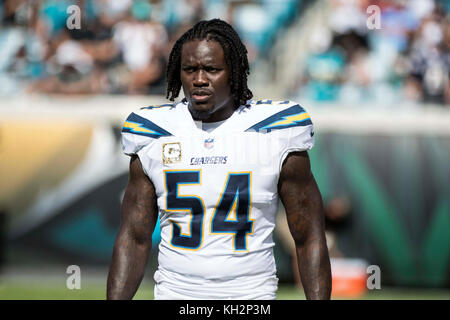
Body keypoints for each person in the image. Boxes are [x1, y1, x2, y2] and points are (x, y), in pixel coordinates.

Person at [107, 18, 331, 300]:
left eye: (211, 69)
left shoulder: (276, 130)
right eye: (190, 69)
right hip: (176, 294)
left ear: (234, 72)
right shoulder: (154, 131)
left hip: (250, 298)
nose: (199, 79)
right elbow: (134, 238)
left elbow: (309, 235)